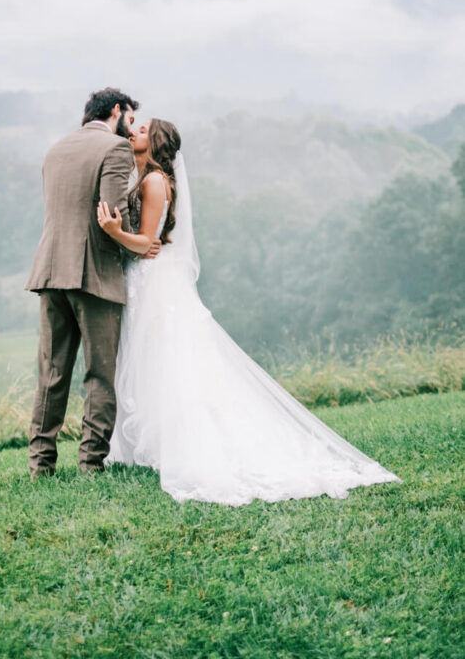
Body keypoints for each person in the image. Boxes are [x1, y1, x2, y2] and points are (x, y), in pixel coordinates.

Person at [97, 118, 400, 506]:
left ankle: (189, 444)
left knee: (169, 362)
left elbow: (147, 243)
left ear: (154, 143)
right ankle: (151, 444)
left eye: (142, 131)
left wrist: (114, 231)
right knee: (150, 361)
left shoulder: (155, 181)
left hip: (154, 282)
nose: (134, 132)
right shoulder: (140, 177)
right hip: (144, 281)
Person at [24, 87, 160, 479]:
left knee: (51, 373)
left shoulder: (56, 149)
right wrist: (137, 244)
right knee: (100, 373)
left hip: (50, 271)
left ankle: (40, 465)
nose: (129, 129)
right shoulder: (114, 149)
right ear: (116, 111)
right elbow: (111, 214)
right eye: (129, 119)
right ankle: (90, 463)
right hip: (94, 274)